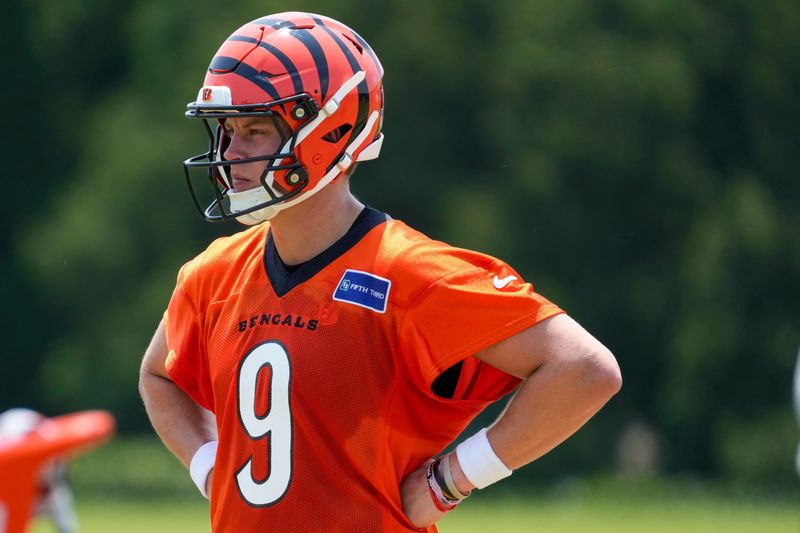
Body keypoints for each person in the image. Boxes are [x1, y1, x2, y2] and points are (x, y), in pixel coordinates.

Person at [138, 11, 621, 532]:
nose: (230, 154)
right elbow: (158, 375)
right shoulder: (215, 274)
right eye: (228, 130)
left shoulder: (410, 273)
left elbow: (584, 370)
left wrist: (453, 479)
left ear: (331, 128)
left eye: (254, 130)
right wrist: (210, 466)